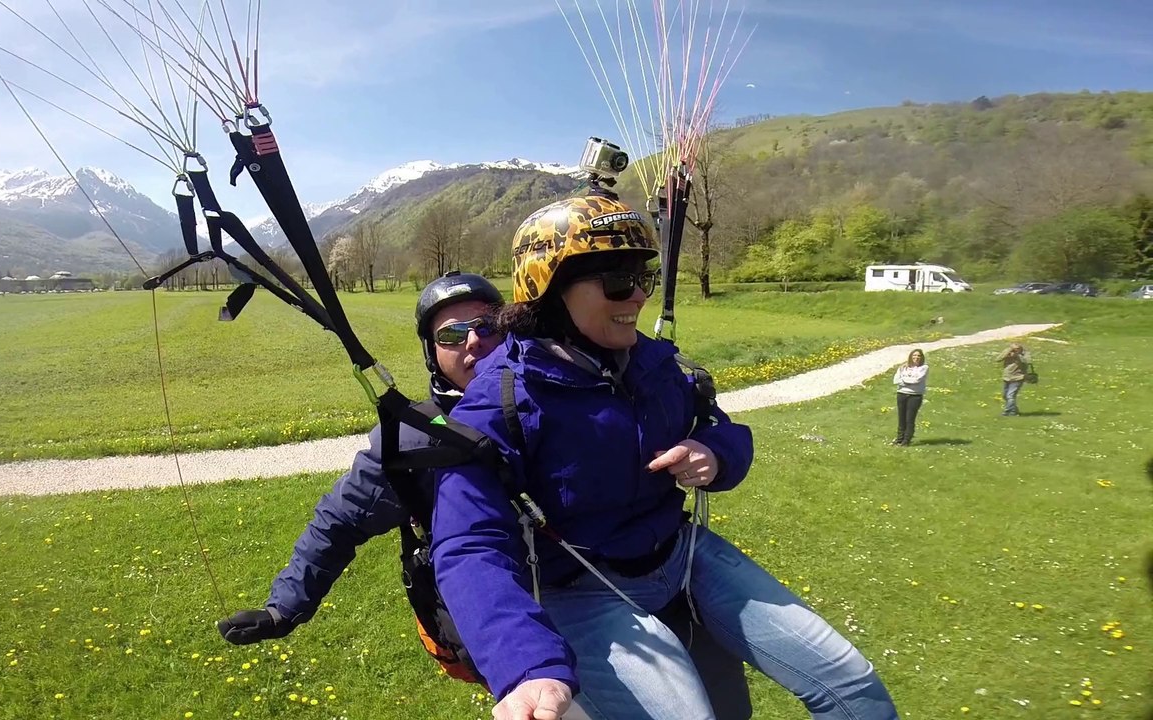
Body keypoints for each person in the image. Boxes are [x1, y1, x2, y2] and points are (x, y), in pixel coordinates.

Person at [431, 194, 899, 720]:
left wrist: (715, 454)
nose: (635, 296)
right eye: (615, 282)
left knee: (851, 683)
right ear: (547, 292)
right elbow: (469, 539)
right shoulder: (499, 401)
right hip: (581, 589)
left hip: (681, 553)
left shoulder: (653, 366)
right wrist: (525, 665)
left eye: (643, 279)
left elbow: (719, 427)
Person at [215, 271, 753, 719]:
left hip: (610, 590)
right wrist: (284, 608)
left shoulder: (553, 396)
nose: (474, 342)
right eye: (451, 336)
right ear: (432, 353)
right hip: (518, 622)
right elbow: (340, 521)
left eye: (488, 325)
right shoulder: (417, 439)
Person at [891, 349, 928, 446]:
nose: (916, 357)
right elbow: (895, 380)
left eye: (918, 356)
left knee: (910, 419)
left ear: (921, 357)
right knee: (901, 418)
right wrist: (907, 381)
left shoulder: (924, 368)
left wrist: (903, 380)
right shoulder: (903, 367)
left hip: (915, 396)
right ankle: (899, 438)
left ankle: (906, 440)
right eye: (914, 355)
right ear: (911, 356)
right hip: (902, 394)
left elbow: (917, 380)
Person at [998, 343, 1030, 416]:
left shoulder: (1025, 354)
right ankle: (1014, 412)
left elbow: (1025, 362)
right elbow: (998, 359)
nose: (1014, 350)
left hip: (1018, 378)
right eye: (1013, 349)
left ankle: (1006, 411)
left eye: (1016, 349)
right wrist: (1008, 351)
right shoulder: (1008, 353)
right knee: (1005, 396)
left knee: (1010, 396)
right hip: (1007, 377)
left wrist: (1017, 355)